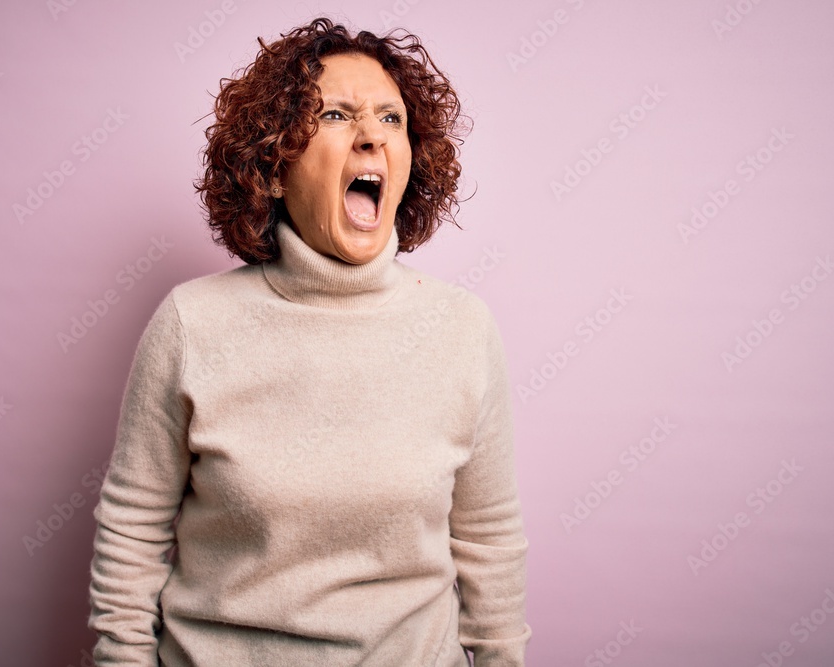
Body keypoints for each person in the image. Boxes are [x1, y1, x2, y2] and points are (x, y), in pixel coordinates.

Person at [88, 17, 531, 667]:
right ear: (274, 167)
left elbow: (490, 544)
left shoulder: (463, 329)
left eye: (391, 118)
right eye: (335, 115)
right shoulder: (191, 324)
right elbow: (131, 535)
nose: (371, 136)